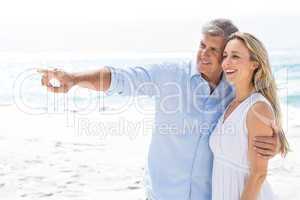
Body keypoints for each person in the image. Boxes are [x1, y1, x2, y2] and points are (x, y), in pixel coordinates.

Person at [38, 19, 280, 200]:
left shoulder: (235, 88)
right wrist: (73, 78)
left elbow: (256, 116)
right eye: (201, 45)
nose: (203, 54)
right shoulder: (170, 75)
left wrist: (275, 140)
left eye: (214, 50)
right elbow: (121, 79)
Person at [209, 32, 289, 200]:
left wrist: (278, 141)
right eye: (225, 56)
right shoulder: (231, 103)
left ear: (255, 64)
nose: (226, 63)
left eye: (235, 56)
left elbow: (259, 175)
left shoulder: (258, 108)